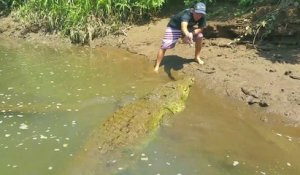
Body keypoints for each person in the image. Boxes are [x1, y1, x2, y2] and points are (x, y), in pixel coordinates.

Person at [154, 2, 207, 72]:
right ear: (193, 10)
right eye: (197, 13)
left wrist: (191, 33)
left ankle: (196, 57)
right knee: (165, 45)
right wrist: (188, 34)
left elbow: (201, 28)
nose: (198, 16)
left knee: (200, 36)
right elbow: (184, 27)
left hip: (188, 28)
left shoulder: (202, 16)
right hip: (174, 27)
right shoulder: (187, 14)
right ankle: (157, 66)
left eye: (201, 14)